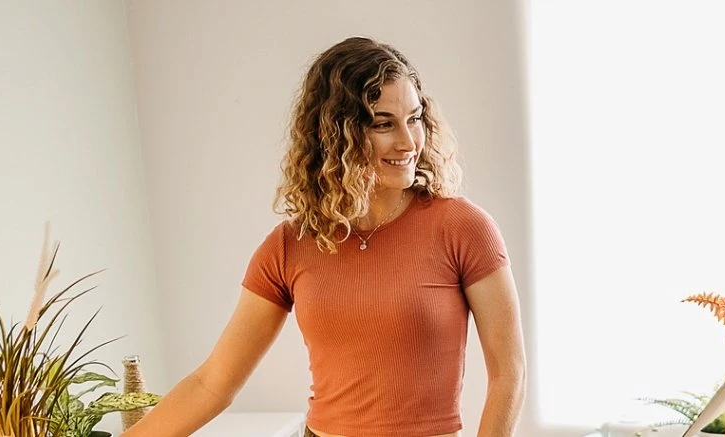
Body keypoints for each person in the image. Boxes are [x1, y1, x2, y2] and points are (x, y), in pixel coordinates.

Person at [127, 37, 526, 437]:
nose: (408, 142)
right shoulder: (291, 245)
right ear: (337, 134)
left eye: (414, 118)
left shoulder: (463, 228)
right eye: (383, 123)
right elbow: (212, 383)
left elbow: (509, 375)